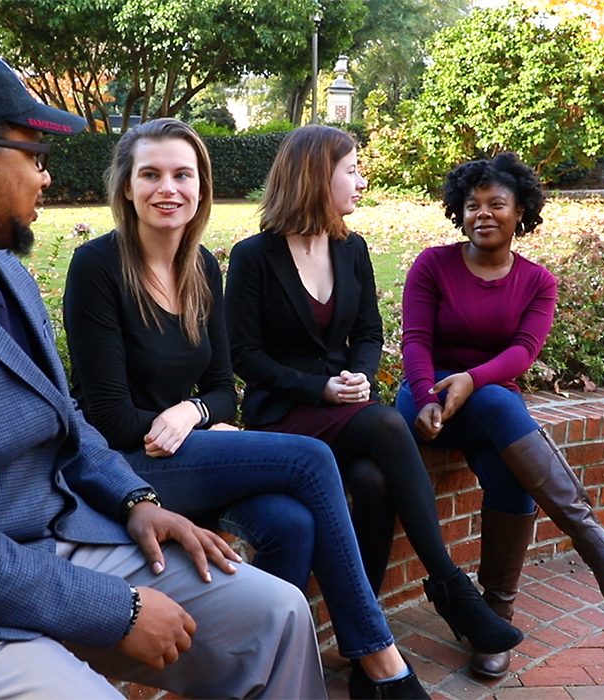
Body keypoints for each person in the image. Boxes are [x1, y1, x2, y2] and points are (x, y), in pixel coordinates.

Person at [0, 47, 326, 700]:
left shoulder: (1, 266)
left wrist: (136, 502)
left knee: (277, 614)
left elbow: (64, 417)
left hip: (57, 537)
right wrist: (116, 609)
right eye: (36, 155)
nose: (47, 177)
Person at [63, 117, 429, 699]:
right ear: (126, 187)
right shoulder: (98, 267)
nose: (168, 189)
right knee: (310, 460)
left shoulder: (202, 267)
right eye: (150, 174)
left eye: (183, 175)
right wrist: (197, 419)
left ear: (202, 187)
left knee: (292, 523)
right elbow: (109, 418)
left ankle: (253, 675)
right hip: (126, 468)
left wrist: (192, 414)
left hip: (187, 448)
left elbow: (218, 390)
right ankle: (379, 657)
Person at [224, 124, 524, 670]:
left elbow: (367, 333)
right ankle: (451, 588)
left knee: (372, 481)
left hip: (342, 410)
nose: (362, 181)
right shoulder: (254, 257)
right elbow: (243, 356)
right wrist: (319, 386)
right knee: (388, 425)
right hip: (285, 417)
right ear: (318, 176)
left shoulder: (351, 248)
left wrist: (358, 375)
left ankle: (364, 644)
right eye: (353, 170)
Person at [396, 152, 604, 679]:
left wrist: (471, 379)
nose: (482, 213)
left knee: (508, 458)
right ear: (457, 212)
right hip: (427, 405)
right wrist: (428, 395)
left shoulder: (536, 282)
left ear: (520, 210)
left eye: (496, 204)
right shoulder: (432, 264)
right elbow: (415, 341)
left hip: (488, 410)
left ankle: (496, 613)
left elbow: (523, 353)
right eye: (471, 205)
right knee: (500, 401)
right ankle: (592, 543)